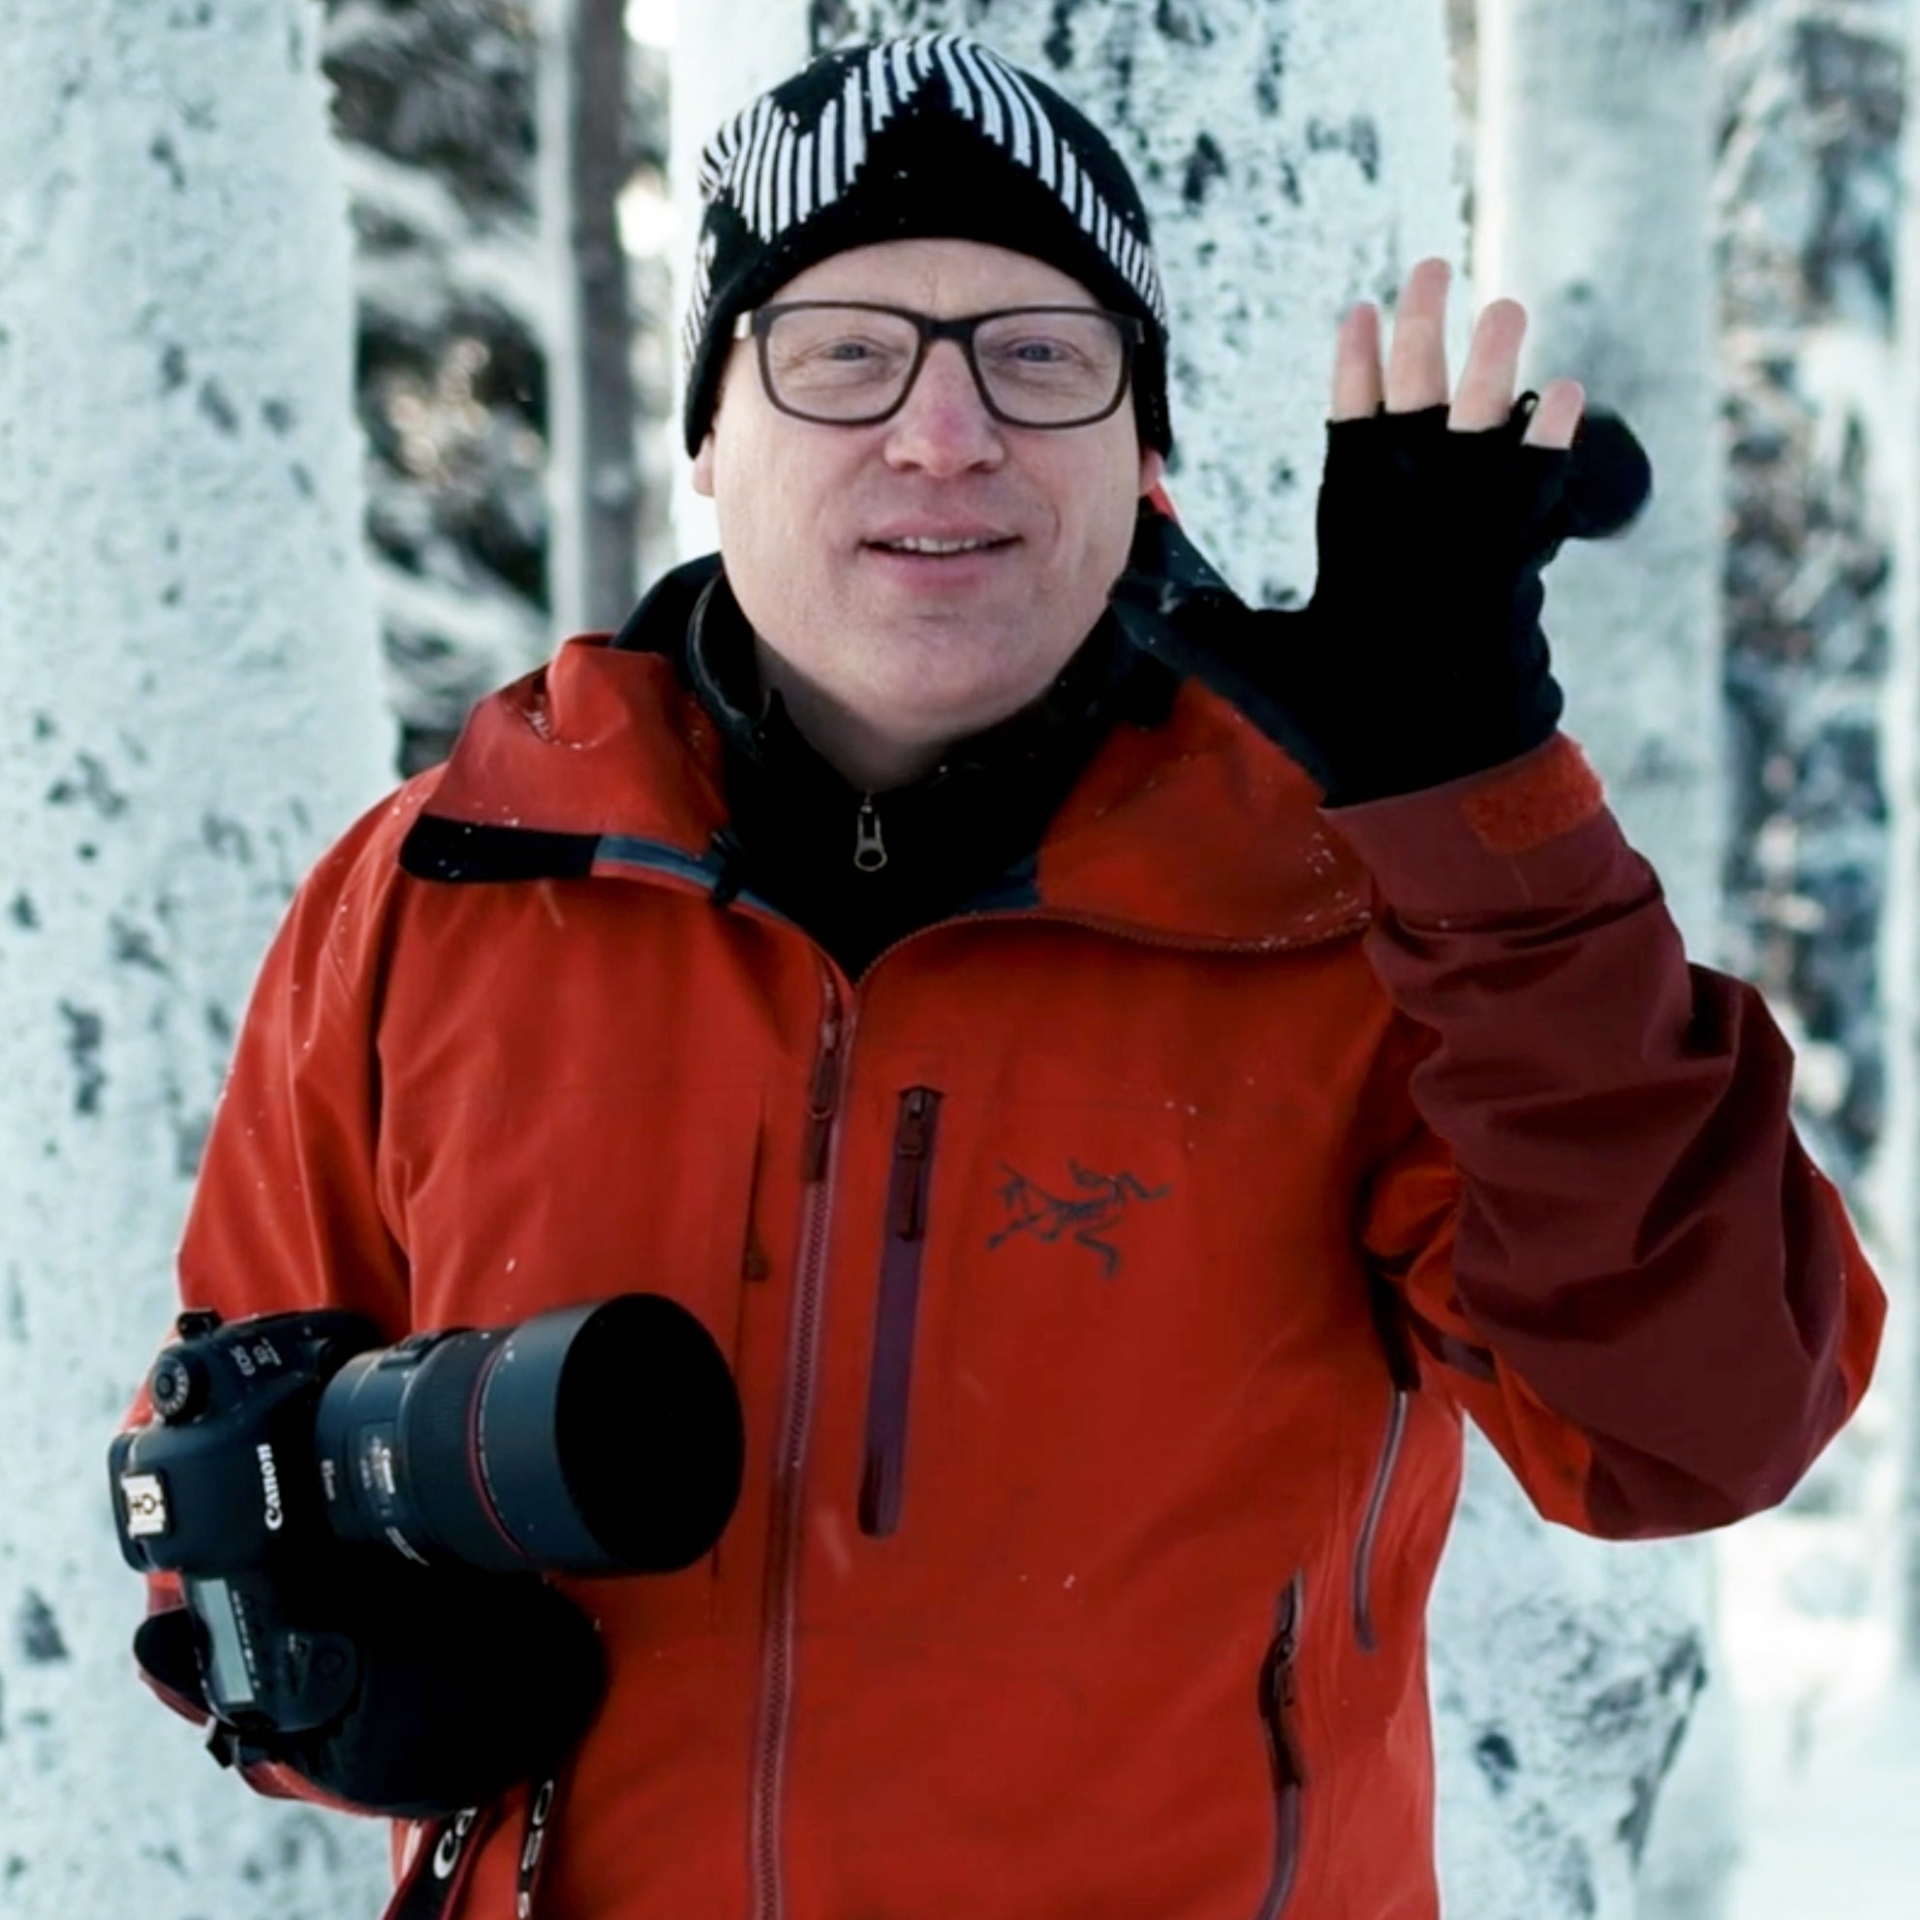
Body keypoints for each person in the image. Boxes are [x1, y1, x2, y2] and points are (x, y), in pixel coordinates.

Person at [127, 32, 1885, 1920]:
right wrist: (328, 1671)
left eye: (1040, 359)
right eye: (843, 352)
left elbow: (1699, 1420)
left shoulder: (1351, 917)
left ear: (1145, 454)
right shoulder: (437, 893)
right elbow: (225, 1489)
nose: (942, 435)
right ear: (710, 429)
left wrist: (1480, 811)